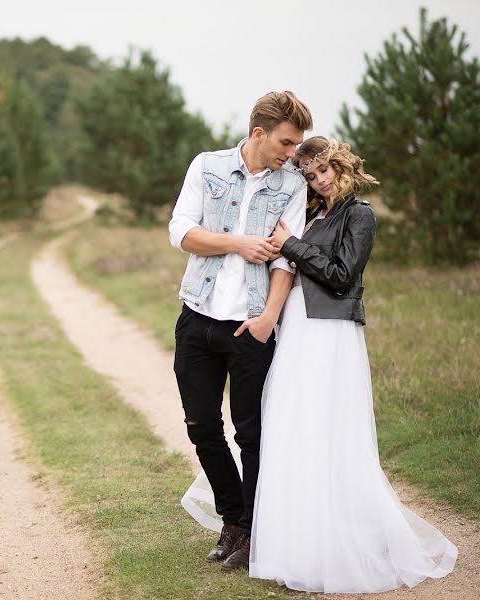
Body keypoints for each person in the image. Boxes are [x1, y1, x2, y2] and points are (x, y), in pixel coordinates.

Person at [247, 136, 457, 592]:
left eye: (323, 171)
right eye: (310, 175)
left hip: (330, 331)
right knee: (292, 424)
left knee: (326, 428)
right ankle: (295, 545)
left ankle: (342, 543)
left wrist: (291, 246)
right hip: (298, 328)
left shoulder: (359, 215)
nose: (319, 181)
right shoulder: (310, 213)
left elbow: (343, 275)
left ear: (340, 166)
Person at [168, 91, 312, 569]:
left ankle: (253, 530)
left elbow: (287, 256)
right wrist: (239, 243)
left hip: (251, 326)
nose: (292, 154)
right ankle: (233, 520)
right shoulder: (206, 166)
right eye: (286, 142)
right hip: (198, 317)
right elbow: (181, 232)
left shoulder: (291, 185)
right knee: (201, 426)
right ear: (258, 134)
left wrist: (269, 318)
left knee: (251, 434)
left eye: (295, 145)